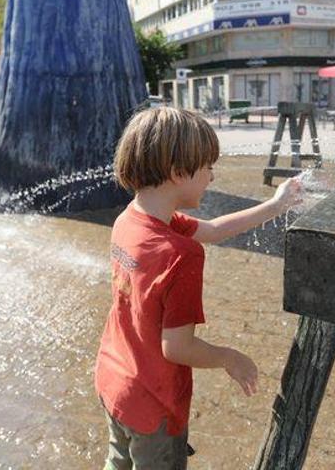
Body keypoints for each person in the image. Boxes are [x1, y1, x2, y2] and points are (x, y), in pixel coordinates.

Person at [95, 107, 302, 470]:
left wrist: (276, 205)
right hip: (154, 406)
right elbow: (176, 347)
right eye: (207, 166)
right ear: (178, 173)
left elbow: (214, 229)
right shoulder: (181, 254)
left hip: (114, 381)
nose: (212, 175)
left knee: (117, 460)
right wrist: (229, 358)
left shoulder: (131, 218)